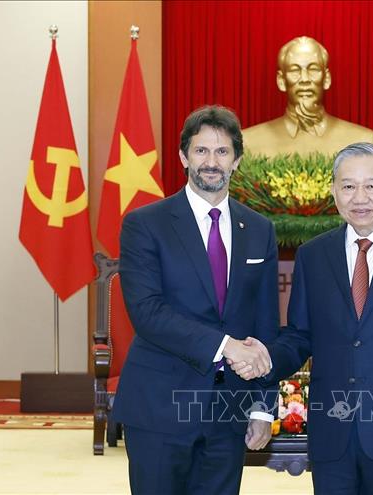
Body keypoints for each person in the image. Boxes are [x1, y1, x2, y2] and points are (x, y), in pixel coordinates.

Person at [231, 143, 373, 494]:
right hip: (333, 434)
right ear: (334, 192)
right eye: (349, 186)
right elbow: (300, 336)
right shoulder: (313, 255)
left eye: (372, 186)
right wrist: (265, 359)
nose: (360, 197)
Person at [112, 105, 277, 495]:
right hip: (159, 406)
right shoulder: (145, 224)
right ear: (184, 157)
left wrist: (262, 406)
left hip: (229, 411)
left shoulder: (259, 229)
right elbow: (147, 313)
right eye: (201, 150)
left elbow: (265, 324)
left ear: (237, 160)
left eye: (222, 152)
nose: (211, 162)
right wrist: (225, 345)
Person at [242, 36, 373, 157]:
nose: (305, 79)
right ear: (281, 81)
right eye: (294, 70)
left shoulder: (363, 141)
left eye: (313, 69)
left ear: (326, 79)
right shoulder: (248, 142)